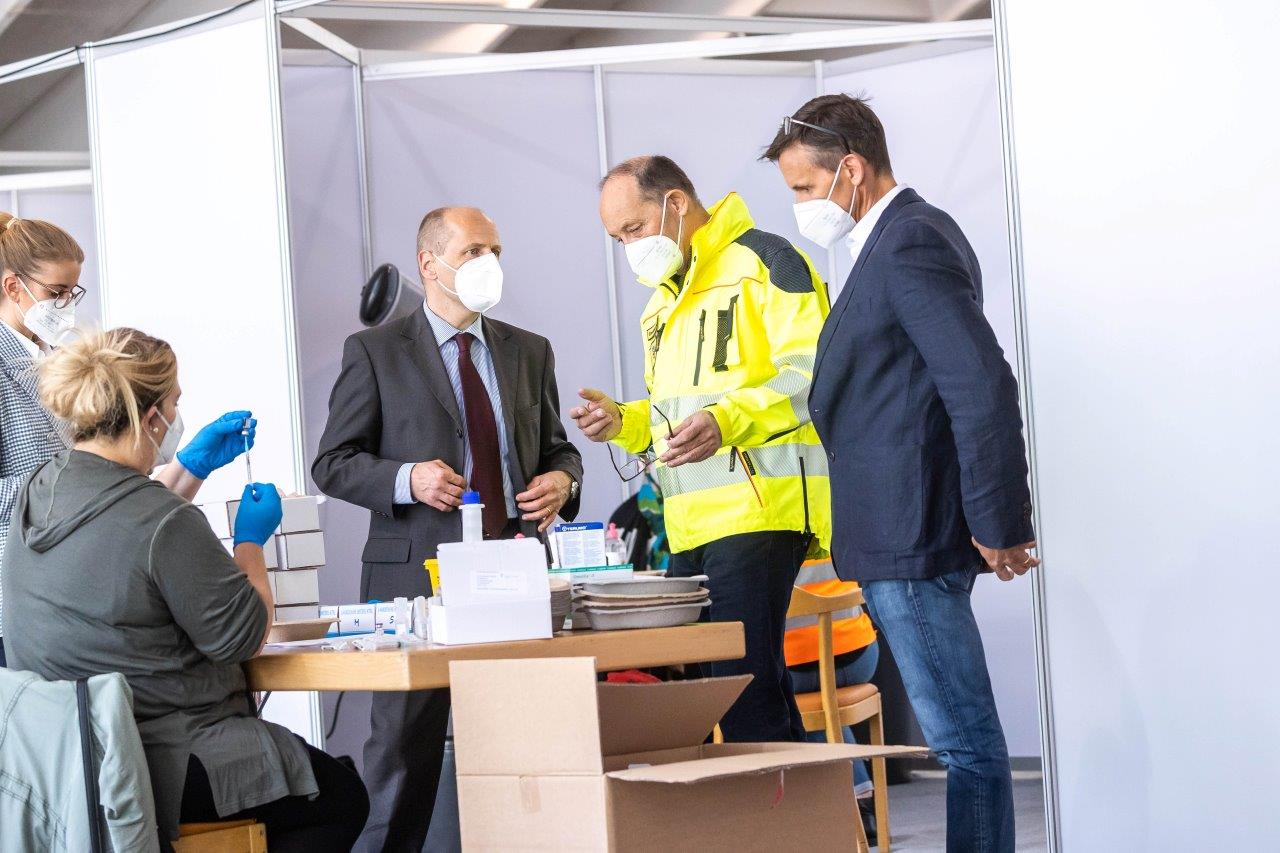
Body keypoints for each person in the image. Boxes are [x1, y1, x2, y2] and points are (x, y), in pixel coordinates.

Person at [763, 94, 1040, 852]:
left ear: (850, 169)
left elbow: (980, 385)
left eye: (803, 188)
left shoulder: (910, 240)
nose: (799, 207)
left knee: (964, 741)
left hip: (913, 539)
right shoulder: (893, 242)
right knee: (964, 738)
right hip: (899, 536)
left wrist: (998, 521)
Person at [0, 328, 369, 850]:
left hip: (66, 759)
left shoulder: (36, 494)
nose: (176, 417)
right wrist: (250, 543)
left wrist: (188, 469)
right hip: (166, 754)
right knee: (342, 796)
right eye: (174, 404)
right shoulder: (163, 521)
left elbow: (121, 530)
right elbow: (243, 636)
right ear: (152, 418)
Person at [312, 205, 583, 851]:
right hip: (414, 577)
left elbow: (557, 448)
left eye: (495, 248)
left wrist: (563, 482)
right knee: (403, 757)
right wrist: (409, 478)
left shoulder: (528, 350)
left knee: (526, 748)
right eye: (471, 251)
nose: (488, 263)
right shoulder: (375, 351)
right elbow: (333, 462)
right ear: (428, 264)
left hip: (514, 571)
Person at [574, 155, 830, 743]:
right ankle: (807, 819)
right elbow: (677, 417)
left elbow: (817, 376)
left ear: (676, 203)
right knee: (723, 691)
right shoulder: (660, 305)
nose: (629, 247)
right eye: (617, 239)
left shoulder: (766, 261)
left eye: (633, 229)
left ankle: (776, 827)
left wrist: (727, 419)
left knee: (742, 691)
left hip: (759, 507)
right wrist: (624, 421)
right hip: (689, 523)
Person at [0, 213, 255, 669]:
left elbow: (115, 493)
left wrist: (187, 466)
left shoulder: (62, 361)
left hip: (91, 594)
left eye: (73, 294)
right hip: (28, 607)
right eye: (55, 294)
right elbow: (100, 493)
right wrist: (75, 486)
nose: (67, 308)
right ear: (12, 287)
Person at [783, 558, 880, 842]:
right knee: (824, 703)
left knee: (789, 699)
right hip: (860, 655)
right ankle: (862, 802)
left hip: (797, 665)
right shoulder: (834, 523)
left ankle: (841, 807)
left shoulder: (765, 540)